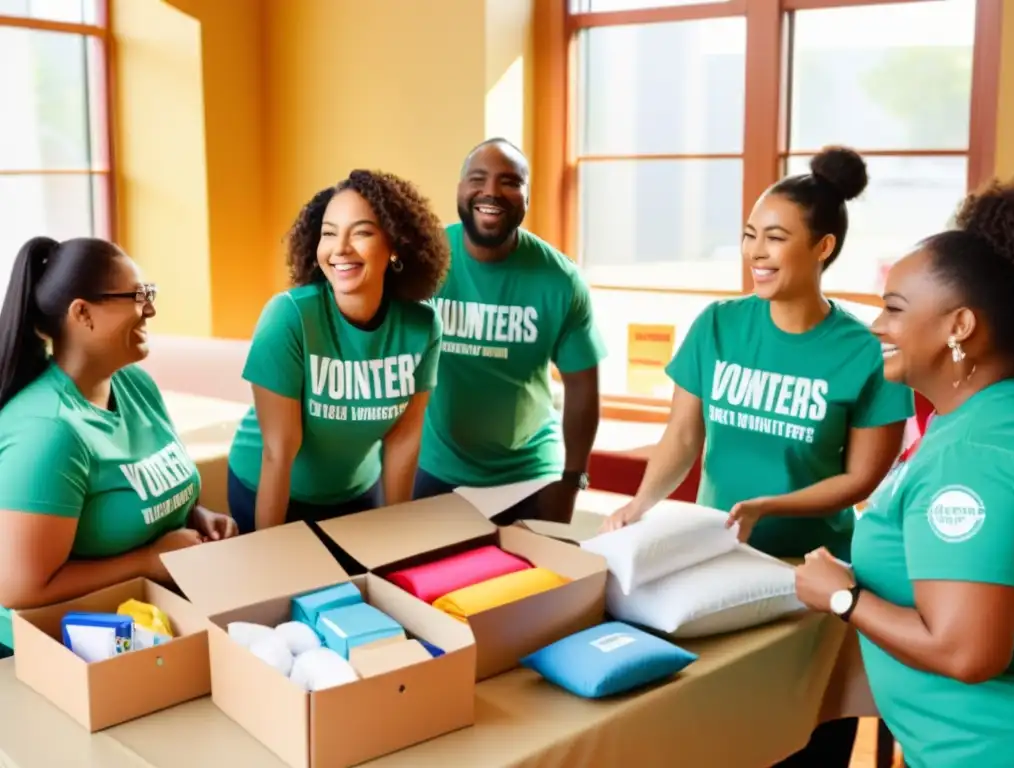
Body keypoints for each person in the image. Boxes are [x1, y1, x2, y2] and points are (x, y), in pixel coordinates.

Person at [602, 147, 915, 766]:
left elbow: (861, 479)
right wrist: (641, 503)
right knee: (726, 732)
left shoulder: (866, 353)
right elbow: (682, 438)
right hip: (717, 560)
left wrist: (770, 503)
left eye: (776, 238)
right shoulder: (717, 325)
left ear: (822, 247)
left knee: (809, 734)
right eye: (749, 236)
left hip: (812, 573)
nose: (756, 253)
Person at [795, 175, 1014, 768]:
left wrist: (843, 598)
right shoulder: (985, 416)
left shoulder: (971, 454)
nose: (876, 326)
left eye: (894, 310)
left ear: (960, 327)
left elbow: (967, 651)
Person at [0, 237, 237, 660]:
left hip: (145, 624)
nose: (150, 309)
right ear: (82, 313)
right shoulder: (50, 431)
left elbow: (147, 486)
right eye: (137, 296)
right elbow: (20, 588)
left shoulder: (134, 384)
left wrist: (197, 516)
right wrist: (146, 561)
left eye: (150, 294)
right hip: (56, 651)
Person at [226, 170, 449, 536]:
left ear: (395, 245)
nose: (340, 248)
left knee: (368, 588)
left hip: (357, 493)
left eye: (361, 232)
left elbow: (403, 442)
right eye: (329, 233)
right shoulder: (289, 316)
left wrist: (397, 536)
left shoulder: (422, 326)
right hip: (268, 488)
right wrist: (266, 552)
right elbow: (278, 452)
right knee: (288, 588)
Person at [413, 138, 606, 525]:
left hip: (531, 473)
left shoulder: (561, 280)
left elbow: (583, 389)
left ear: (527, 197)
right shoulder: (425, 263)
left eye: (509, 182)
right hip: (436, 466)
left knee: (536, 583)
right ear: (460, 189)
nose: (490, 192)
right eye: (478, 178)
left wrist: (572, 481)